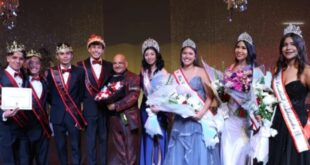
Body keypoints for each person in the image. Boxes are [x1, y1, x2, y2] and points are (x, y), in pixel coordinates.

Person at [163, 39, 220, 165]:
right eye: (184, 53)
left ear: (195, 56)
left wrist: (201, 113)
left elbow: (210, 97)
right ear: (181, 55)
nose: (187, 56)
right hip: (180, 121)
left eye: (190, 53)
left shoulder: (201, 72)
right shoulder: (175, 75)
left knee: (198, 155)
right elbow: (171, 98)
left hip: (198, 121)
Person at [268, 24, 310, 165]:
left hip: (297, 126)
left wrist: (308, 128)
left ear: (300, 46)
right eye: (285, 45)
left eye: (293, 44)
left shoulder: (306, 71)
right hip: (277, 125)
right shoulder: (278, 71)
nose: (288, 48)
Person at [47, 43, 87, 165]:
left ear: (72, 55)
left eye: (68, 53)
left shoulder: (80, 72)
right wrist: (57, 106)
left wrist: (76, 111)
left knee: (76, 146)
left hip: (74, 115)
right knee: (60, 147)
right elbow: (49, 94)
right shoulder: (51, 72)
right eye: (62, 54)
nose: (65, 56)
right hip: (57, 115)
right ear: (57, 56)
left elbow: (81, 93)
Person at [220, 32, 257, 165]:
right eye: (237, 47)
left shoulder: (254, 71)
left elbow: (256, 98)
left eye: (243, 48)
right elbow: (224, 97)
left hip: (243, 121)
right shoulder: (229, 68)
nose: (239, 50)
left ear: (249, 50)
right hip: (229, 120)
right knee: (227, 156)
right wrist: (220, 91)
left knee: (239, 156)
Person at [77, 34, 113, 165]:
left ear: (103, 50)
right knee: (90, 141)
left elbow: (113, 86)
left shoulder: (110, 66)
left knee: (104, 140)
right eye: (93, 47)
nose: (96, 50)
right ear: (89, 49)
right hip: (89, 109)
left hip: (104, 110)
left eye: (99, 47)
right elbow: (78, 89)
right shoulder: (80, 65)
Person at [104, 53, 141, 165]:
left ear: (126, 64)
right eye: (115, 63)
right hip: (114, 119)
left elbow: (133, 97)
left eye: (120, 63)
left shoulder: (134, 77)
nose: (117, 65)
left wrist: (116, 105)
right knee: (120, 150)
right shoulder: (110, 79)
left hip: (128, 118)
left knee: (130, 150)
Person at [139, 38, 170, 165]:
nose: (149, 57)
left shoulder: (164, 73)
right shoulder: (143, 71)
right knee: (148, 137)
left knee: (159, 136)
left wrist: (160, 107)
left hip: (159, 110)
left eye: (152, 54)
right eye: (146, 54)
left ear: (157, 55)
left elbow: (168, 95)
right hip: (145, 109)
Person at [0, 41, 30, 165]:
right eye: (14, 57)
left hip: (22, 126)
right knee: (9, 161)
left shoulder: (25, 76)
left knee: (24, 160)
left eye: (21, 59)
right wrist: (3, 114)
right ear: (7, 58)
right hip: (5, 127)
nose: (17, 61)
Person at [23, 49, 51, 165]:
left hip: (43, 129)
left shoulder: (45, 82)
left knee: (43, 161)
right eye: (31, 63)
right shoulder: (21, 82)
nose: (34, 66)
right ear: (26, 65)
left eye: (37, 63)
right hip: (27, 129)